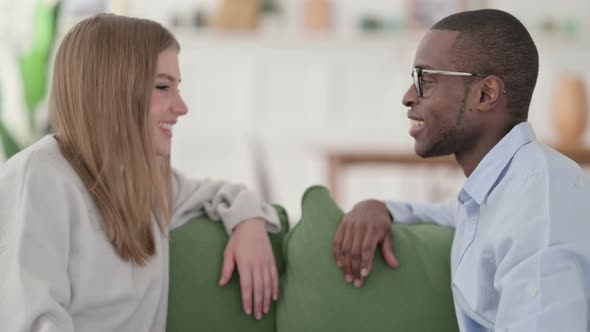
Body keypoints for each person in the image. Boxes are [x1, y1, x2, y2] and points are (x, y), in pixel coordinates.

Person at [0, 14, 281, 331]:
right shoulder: (39, 177)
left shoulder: (144, 183)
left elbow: (219, 194)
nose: (182, 107)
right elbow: (31, 321)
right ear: (112, 90)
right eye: (163, 87)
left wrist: (250, 223)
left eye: (177, 87)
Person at [333, 9, 590, 331]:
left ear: (485, 94)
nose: (408, 97)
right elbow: (456, 214)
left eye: (425, 80)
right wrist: (382, 209)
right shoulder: (503, 189)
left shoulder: (541, 204)